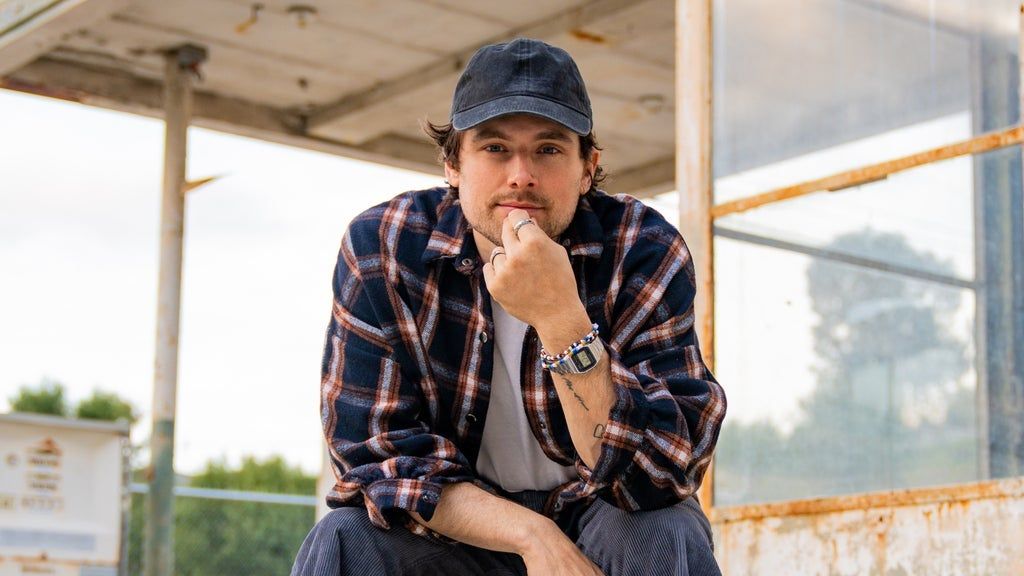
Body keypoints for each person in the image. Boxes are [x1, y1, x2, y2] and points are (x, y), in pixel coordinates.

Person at [291, 38, 727, 576]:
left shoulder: (643, 249)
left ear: (587, 168)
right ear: (453, 163)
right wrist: (532, 536)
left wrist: (561, 318)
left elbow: (662, 469)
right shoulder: (383, 247)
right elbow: (377, 457)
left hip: (601, 514)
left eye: (549, 149)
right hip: (463, 528)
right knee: (345, 537)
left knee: (665, 529)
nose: (521, 174)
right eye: (495, 148)